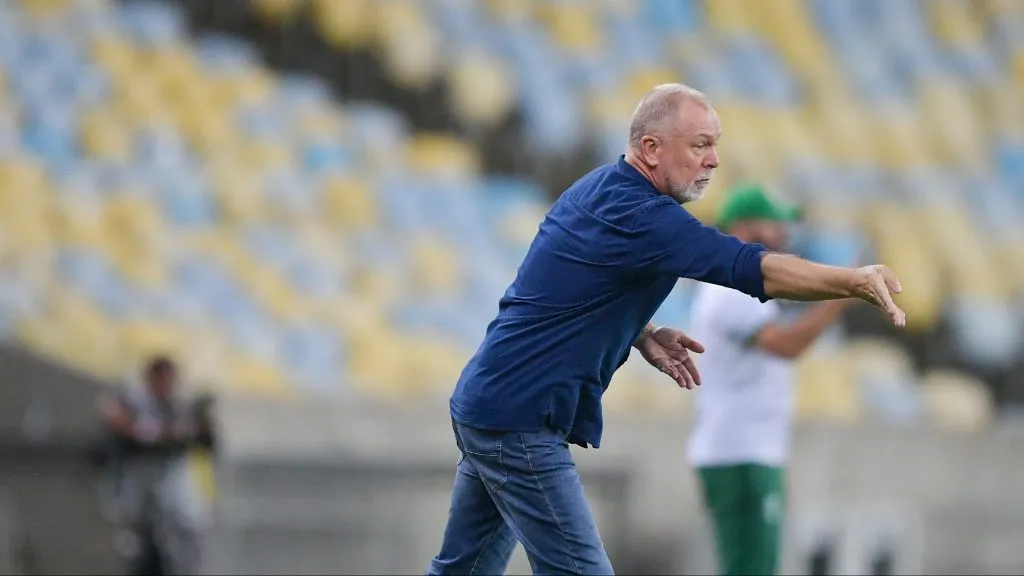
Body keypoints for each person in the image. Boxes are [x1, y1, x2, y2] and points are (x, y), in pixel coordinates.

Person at [426, 83, 905, 576]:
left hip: (491, 402)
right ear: (651, 149)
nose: (714, 159)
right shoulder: (645, 216)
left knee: (464, 569)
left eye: (715, 144)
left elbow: (566, 283)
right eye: (700, 144)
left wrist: (641, 329)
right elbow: (752, 269)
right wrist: (851, 280)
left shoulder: (599, 188)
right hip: (518, 418)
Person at [686, 183, 854, 576]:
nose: (783, 232)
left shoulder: (737, 287)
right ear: (742, 226)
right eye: (774, 222)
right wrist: (845, 293)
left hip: (744, 451)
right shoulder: (730, 290)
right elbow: (786, 345)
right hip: (741, 454)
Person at [98, 356, 215, 576]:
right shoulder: (135, 400)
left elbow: (203, 432)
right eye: (160, 379)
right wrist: (156, 433)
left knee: (189, 525)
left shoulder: (181, 404)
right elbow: (116, 419)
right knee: (132, 537)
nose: (165, 386)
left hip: (171, 475)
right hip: (137, 474)